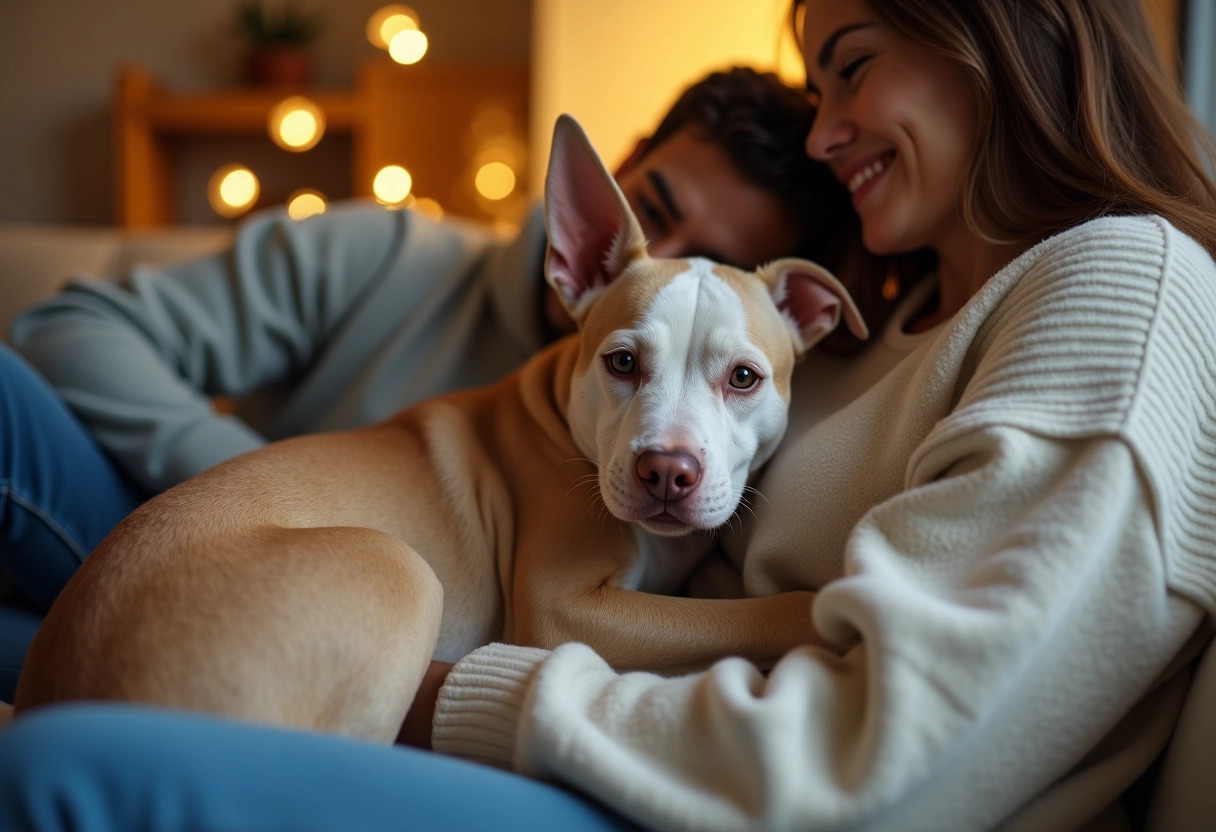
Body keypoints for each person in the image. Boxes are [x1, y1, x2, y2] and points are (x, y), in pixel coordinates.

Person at [3, 1, 1216, 830]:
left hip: (661, 764)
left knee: (51, 769)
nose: (823, 124)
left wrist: (444, 692)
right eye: (818, 81)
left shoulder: (1109, 286)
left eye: (850, 63)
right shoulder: (883, 327)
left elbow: (902, 738)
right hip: (486, 687)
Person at [0, 65, 848, 702]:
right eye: (626, 362)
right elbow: (556, 620)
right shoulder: (384, 256)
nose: (667, 264)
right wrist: (806, 616)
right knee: (394, 579)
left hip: (208, 619)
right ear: (584, 229)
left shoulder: (622, 422)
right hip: (204, 555)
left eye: (735, 371)